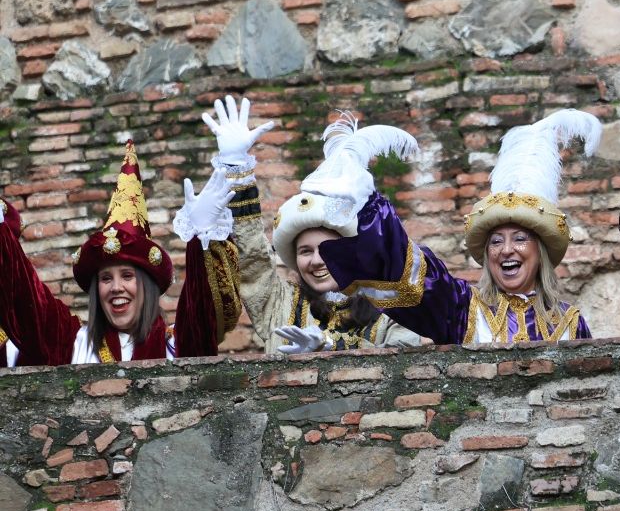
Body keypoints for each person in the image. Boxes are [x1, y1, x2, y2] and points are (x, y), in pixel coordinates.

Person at [320, 109, 599, 343]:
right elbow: (413, 277)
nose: (506, 250)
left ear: (540, 251)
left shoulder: (570, 324)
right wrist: (366, 206)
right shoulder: (463, 310)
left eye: (520, 239)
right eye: (496, 241)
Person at [200, 96, 424, 354]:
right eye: (305, 251)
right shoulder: (280, 303)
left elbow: (405, 361)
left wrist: (329, 347)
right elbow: (252, 258)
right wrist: (236, 167)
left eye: (327, 248)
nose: (317, 260)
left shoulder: (393, 304)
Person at [0, 141, 240, 365]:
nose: (115, 287)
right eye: (106, 278)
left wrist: (202, 241)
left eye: (127, 275)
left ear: (147, 285)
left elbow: (200, 309)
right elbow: (27, 301)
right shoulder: (72, 343)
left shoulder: (177, 346)